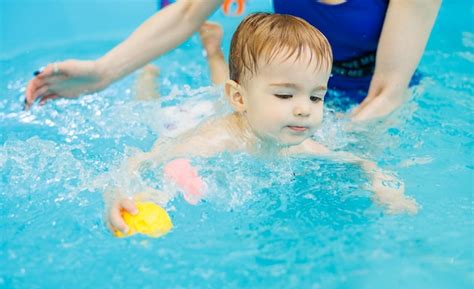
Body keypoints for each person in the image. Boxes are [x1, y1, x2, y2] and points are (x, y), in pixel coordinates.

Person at [105, 13, 417, 235]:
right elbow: (139, 161)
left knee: (230, 87)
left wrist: (383, 184)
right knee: (153, 111)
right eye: (285, 95)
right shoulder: (213, 142)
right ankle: (148, 75)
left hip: (241, 101)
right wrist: (123, 194)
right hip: (191, 119)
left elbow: (362, 162)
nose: (304, 111)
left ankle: (213, 51)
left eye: (315, 98)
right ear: (239, 99)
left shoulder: (299, 145)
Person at [24, 0, 441, 121]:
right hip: (281, 93)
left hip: (367, 102)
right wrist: (103, 73)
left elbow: (388, 91)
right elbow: (189, 12)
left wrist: (335, 140)